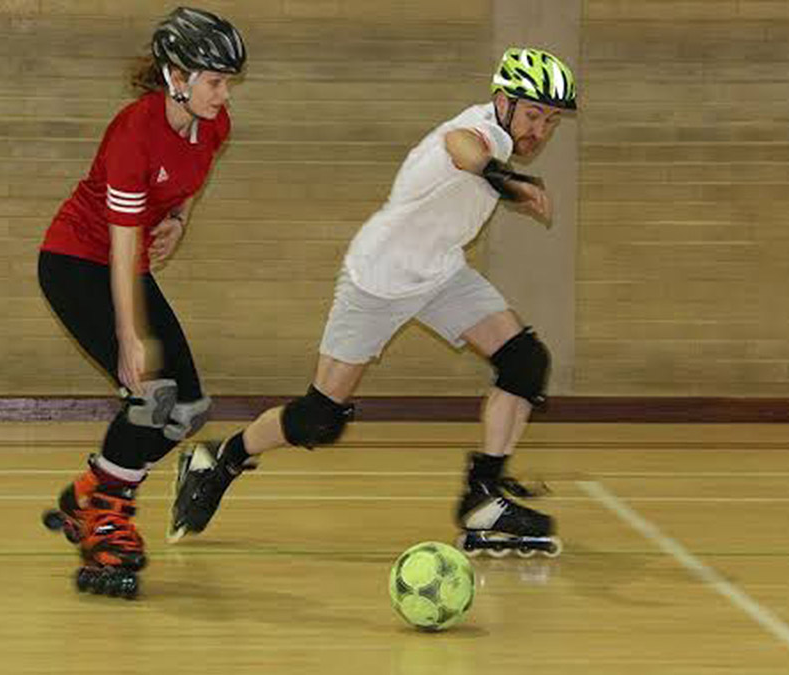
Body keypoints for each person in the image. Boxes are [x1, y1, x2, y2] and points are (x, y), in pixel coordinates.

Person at [169, 46, 577, 558]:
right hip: (378, 279)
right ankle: (219, 459)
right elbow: (461, 148)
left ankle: (483, 495)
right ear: (503, 100)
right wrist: (506, 178)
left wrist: (506, 174)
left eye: (551, 121)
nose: (539, 130)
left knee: (524, 361)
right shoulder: (481, 131)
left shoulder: (500, 135)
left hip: (440, 272)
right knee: (320, 418)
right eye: (533, 114)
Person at [36, 6, 246, 597]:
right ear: (175, 76)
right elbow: (122, 245)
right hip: (77, 263)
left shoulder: (215, 124)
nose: (224, 93)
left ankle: (89, 493)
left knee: (189, 409)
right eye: (215, 80)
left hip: (126, 265)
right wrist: (130, 338)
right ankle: (106, 516)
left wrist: (179, 219)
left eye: (228, 80)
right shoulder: (133, 131)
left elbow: (187, 182)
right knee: (152, 397)